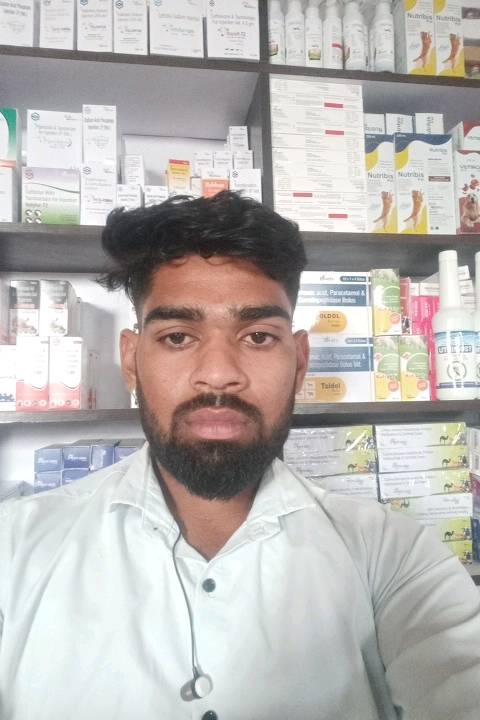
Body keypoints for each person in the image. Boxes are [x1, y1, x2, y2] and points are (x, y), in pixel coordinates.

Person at [1, 191, 479, 720]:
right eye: (178, 337)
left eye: (257, 336)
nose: (218, 374)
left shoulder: (395, 556)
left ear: (299, 363)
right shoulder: (15, 549)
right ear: (132, 362)